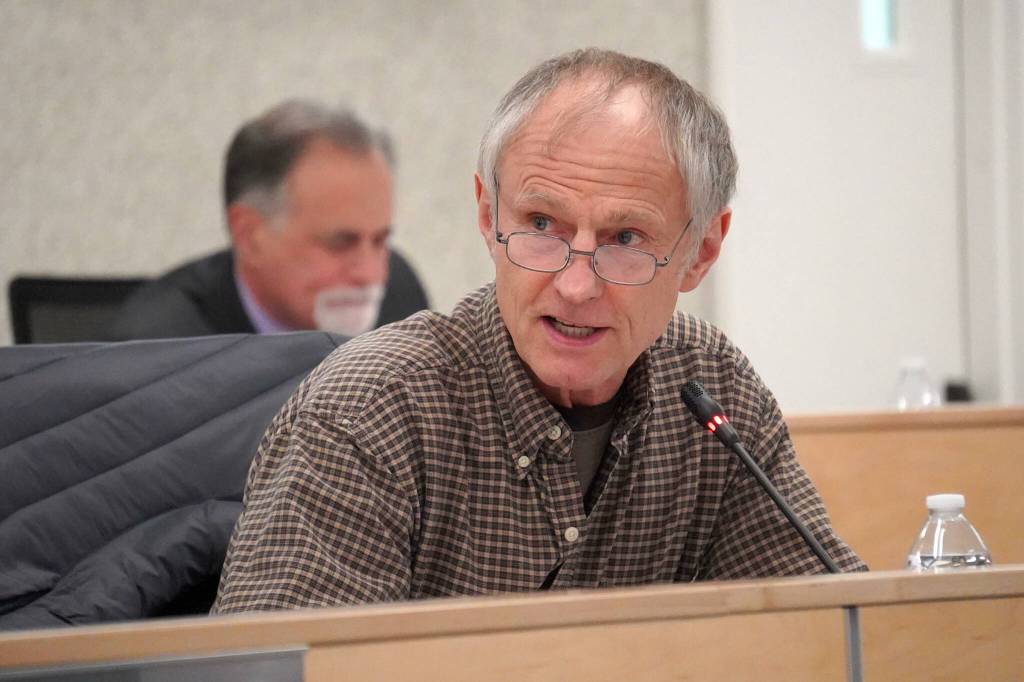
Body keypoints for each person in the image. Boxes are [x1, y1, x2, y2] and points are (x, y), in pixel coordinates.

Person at [213, 49, 865, 613]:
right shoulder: (373, 410)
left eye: (626, 239)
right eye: (542, 226)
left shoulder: (710, 389)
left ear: (700, 252)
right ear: (488, 215)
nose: (575, 286)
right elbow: (272, 670)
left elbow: (831, 629)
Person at [108, 100, 428, 341]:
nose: (371, 275)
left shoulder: (400, 300)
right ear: (250, 236)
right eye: (341, 243)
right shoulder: (157, 350)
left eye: (381, 241)